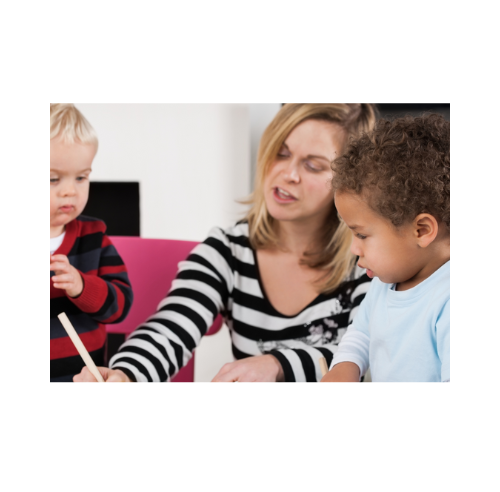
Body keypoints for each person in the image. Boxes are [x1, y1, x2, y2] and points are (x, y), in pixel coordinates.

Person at [74, 103, 376, 383]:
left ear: (350, 182)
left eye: (313, 166)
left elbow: (371, 356)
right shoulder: (227, 250)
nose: (288, 174)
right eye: (281, 153)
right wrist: (125, 374)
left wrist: (276, 364)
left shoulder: (370, 260)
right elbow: (171, 327)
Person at [321, 113, 450, 382]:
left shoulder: (449, 300)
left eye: (362, 235)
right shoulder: (387, 280)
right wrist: (345, 367)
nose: (354, 249)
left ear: (422, 231)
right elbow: (363, 332)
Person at [50, 103, 133, 382]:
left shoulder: (93, 236)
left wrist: (82, 286)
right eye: (52, 179)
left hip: (85, 379)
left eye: (81, 177)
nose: (70, 191)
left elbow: (120, 305)